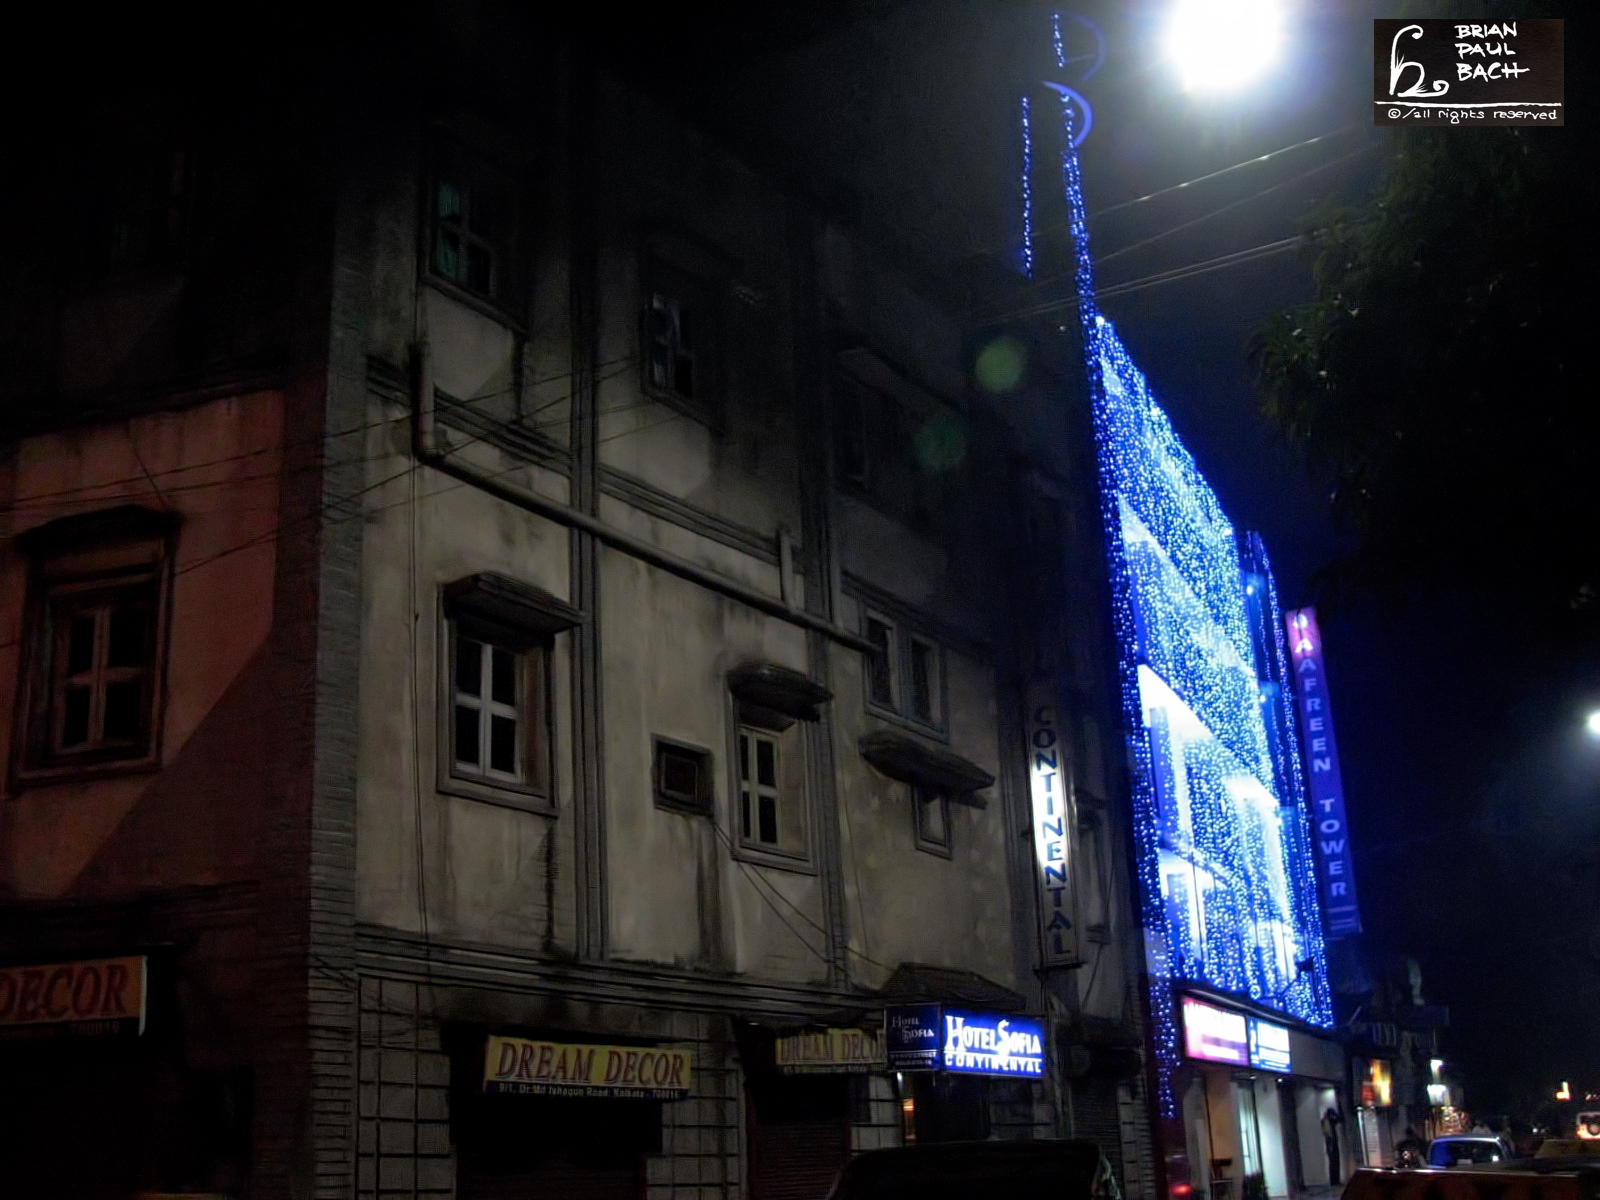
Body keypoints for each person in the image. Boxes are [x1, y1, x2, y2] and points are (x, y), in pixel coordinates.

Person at [1322, 1109, 1343, 1185]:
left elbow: (1338, 1120)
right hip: (1331, 1143)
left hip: (1331, 1143)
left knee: (1334, 1163)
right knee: (1334, 1163)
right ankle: (1334, 1180)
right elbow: (1339, 1119)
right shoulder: (1327, 1121)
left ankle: (1335, 1180)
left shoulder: (1326, 1121)